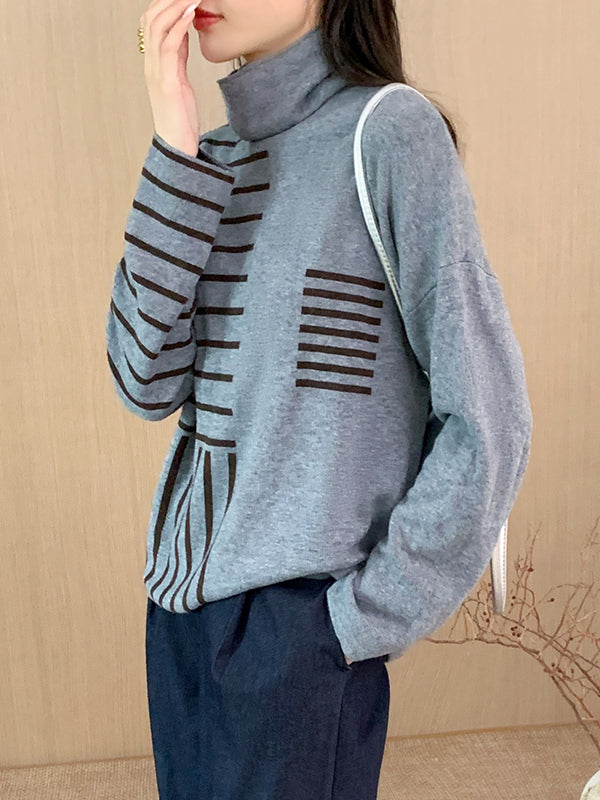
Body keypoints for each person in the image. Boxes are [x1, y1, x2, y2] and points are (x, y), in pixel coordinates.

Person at [106, 1, 533, 798]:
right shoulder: (209, 158)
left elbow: (490, 420)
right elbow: (142, 378)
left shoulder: (388, 134)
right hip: (180, 617)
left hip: (300, 630)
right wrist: (174, 147)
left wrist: (353, 622)